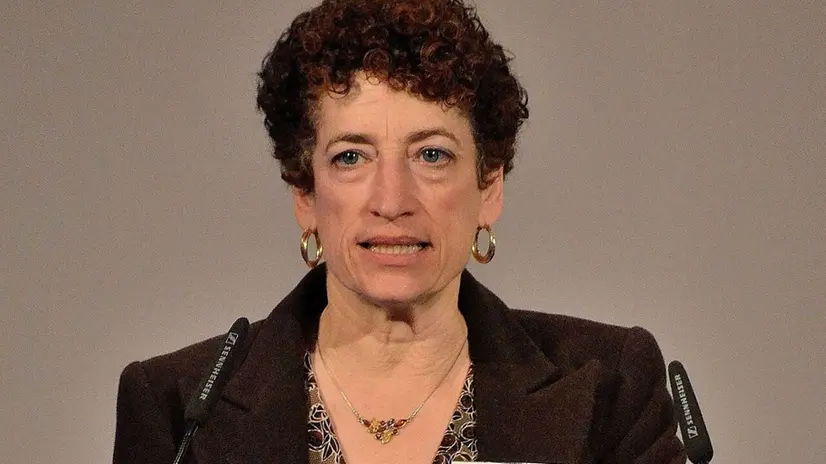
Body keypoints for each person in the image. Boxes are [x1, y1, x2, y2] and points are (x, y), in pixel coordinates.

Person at [113, 0, 686, 463]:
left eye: (431, 154)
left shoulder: (607, 388)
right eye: (351, 157)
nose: (391, 201)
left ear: (488, 188)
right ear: (306, 195)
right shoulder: (178, 409)